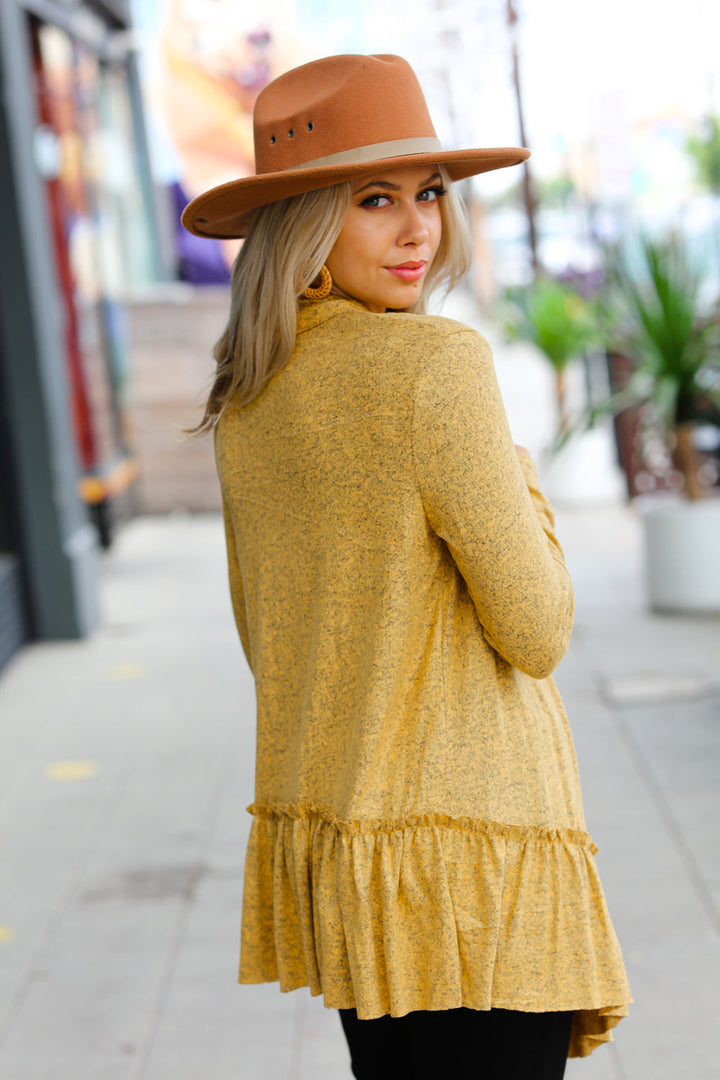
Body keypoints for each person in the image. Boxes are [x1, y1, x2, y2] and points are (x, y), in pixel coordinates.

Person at [182, 53, 631, 1079]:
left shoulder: (245, 397)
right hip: (477, 865)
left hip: (353, 864)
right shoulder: (437, 366)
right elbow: (539, 630)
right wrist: (519, 477)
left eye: (428, 192)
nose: (419, 227)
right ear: (302, 223)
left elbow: (270, 642)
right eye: (374, 199)